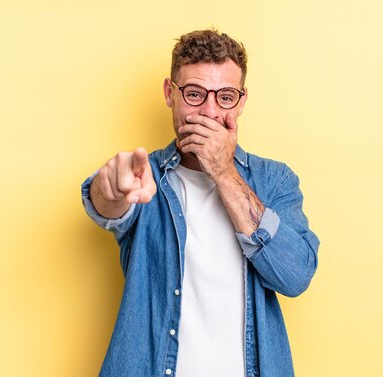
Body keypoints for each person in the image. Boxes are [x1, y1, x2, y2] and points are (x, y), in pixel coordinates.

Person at [81, 29, 320, 377]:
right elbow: (105, 202)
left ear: (241, 101)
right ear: (170, 93)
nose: (208, 111)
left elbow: (296, 276)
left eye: (224, 97)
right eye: (194, 94)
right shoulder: (143, 175)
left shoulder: (275, 180)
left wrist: (223, 172)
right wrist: (111, 189)